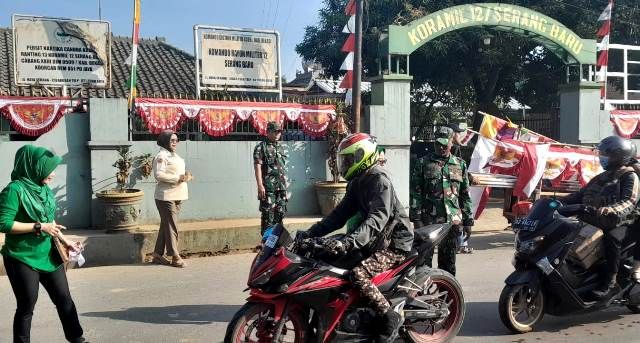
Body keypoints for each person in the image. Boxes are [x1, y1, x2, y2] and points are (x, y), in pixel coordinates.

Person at [301, 133, 414, 343]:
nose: (346, 164)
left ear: (364, 156)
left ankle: (390, 317)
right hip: (376, 238)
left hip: (395, 243)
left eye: (350, 159)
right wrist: (310, 234)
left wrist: (348, 242)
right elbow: (338, 216)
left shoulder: (379, 181)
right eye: (345, 159)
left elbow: (376, 220)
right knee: (325, 259)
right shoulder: (357, 182)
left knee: (358, 274)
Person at [0, 145, 86, 343]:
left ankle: (77, 338)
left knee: (64, 299)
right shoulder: (14, 190)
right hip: (21, 257)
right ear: (33, 167)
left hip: (48, 254)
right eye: (48, 169)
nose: (53, 174)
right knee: (26, 306)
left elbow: (49, 220)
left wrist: (67, 241)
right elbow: (3, 223)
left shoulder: (44, 189)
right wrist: (39, 227)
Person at [561, 136, 640, 298]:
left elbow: (629, 201)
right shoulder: (602, 177)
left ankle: (611, 282)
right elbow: (580, 195)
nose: (602, 157)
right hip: (598, 219)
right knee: (567, 230)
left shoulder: (629, 176)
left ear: (619, 156)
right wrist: (556, 202)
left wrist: (611, 210)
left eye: (607, 154)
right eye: (602, 154)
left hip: (624, 221)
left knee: (611, 238)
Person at [410, 126, 474, 276]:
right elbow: (415, 193)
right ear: (434, 143)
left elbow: (465, 195)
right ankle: (423, 297)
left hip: (452, 223)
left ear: (452, 143)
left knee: (448, 264)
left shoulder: (460, 164)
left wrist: (468, 221)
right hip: (428, 222)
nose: (442, 147)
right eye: (438, 143)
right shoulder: (422, 163)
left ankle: (446, 296)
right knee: (424, 264)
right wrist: (417, 219)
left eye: (445, 144)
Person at [151, 130, 191, 268]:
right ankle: (175, 256)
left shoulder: (175, 156)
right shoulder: (161, 156)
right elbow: (158, 175)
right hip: (165, 196)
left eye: (176, 140)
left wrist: (185, 176)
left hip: (178, 195)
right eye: (172, 140)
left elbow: (176, 173)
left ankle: (157, 254)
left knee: (166, 225)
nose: (175, 143)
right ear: (165, 141)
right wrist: (177, 178)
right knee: (172, 225)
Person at [253, 121, 288, 235]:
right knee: (268, 216)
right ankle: (266, 244)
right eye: (276, 132)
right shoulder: (261, 147)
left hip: (281, 187)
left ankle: (278, 244)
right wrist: (260, 185)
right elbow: (257, 166)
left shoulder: (281, 147)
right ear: (268, 132)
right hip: (268, 188)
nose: (278, 134)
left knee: (280, 214)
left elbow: (282, 169)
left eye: (279, 132)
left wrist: (285, 186)